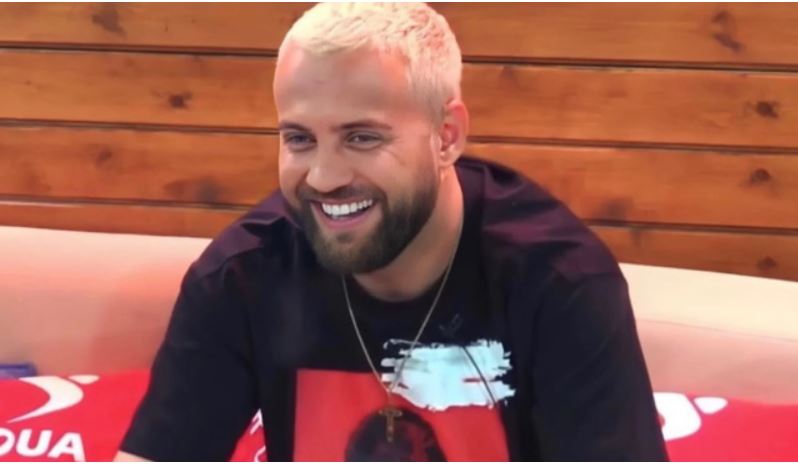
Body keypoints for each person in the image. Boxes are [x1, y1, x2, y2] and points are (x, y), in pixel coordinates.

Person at [116, 3, 667, 461]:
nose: (323, 178)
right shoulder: (243, 275)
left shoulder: (558, 281)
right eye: (300, 139)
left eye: (361, 138)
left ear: (446, 137)